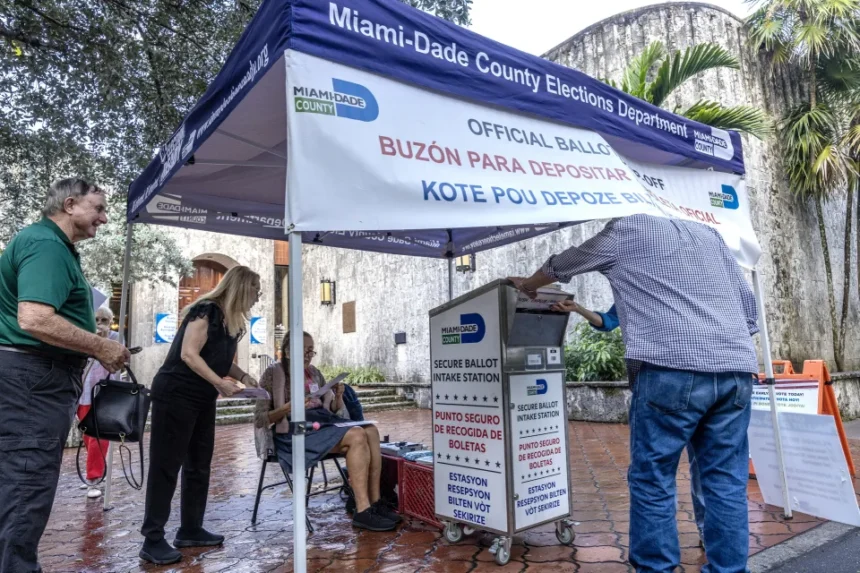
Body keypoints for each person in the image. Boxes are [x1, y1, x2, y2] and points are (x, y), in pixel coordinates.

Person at [511, 214, 758, 573]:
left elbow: (561, 264)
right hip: (736, 370)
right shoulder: (710, 234)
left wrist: (529, 285)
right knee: (726, 482)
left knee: (653, 479)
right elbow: (749, 313)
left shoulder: (627, 228)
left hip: (671, 367)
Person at [0, 178, 130, 573]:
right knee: (27, 485)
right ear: (70, 205)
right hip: (34, 380)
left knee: (18, 484)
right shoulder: (46, 245)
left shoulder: (46, 243)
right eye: (99, 209)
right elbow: (35, 318)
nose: (104, 219)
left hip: (30, 377)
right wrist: (100, 346)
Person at [556, 300, 706, 547]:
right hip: (717, 376)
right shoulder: (639, 292)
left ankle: (663, 554)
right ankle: (709, 539)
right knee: (710, 471)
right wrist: (578, 309)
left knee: (656, 471)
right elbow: (607, 321)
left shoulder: (638, 286)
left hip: (665, 379)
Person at [139, 265, 261, 565]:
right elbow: (189, 354)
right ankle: (152, 539)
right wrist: (220, 383)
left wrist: (243, 376)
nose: (258, 298)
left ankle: (190, 529)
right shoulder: (206, 310)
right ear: (241, 288)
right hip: (175, 393)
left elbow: (217, 358)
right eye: (256, 291)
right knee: (166, 466)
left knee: (198, 464)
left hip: (202, 397)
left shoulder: (232, 320)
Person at [254, 331, 400, 531]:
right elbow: (260, 419)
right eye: (304, 350)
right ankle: (362, 510)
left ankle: (375, 502)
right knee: (357, 435)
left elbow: (331, 409)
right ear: (288, 351)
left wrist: (337, 396)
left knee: (371, 431)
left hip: (322, 424)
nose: (308, 355)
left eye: (311, 351)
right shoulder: (272, 374)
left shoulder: (314, 372)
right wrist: (289, 407)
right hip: (293, 431)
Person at [77, 306, 123, 499]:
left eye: (104, 320)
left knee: (99, 437)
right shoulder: (84, 336)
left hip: (105, 394)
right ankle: (95, 471)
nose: (100, 324)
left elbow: (118, 362)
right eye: (96, 319)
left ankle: (94, 478)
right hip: (83, 392)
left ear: (111, 321)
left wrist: (103, 342)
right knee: (88, 436)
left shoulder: (116, 338)